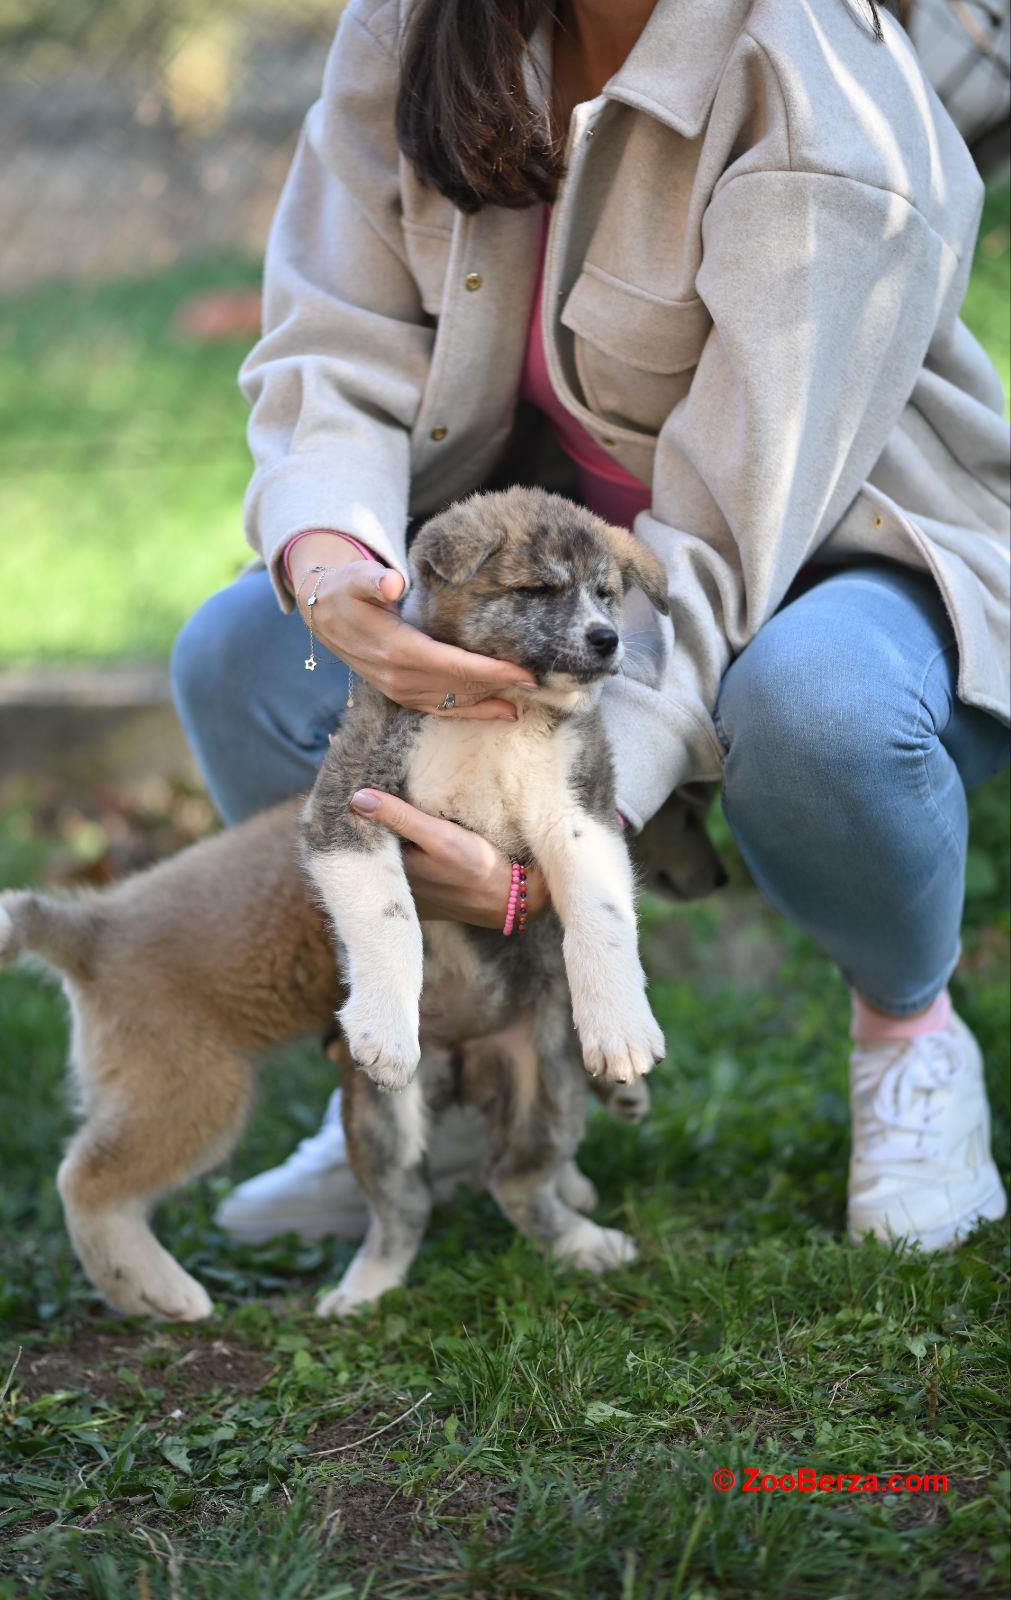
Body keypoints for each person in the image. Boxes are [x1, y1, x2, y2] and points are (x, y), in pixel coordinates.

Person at [172, 0, 1010, 1255]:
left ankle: (908, 1035)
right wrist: (335, 553)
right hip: (543, 574)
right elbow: (333, 341)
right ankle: (454, 1073)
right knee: (248, 655)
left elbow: (731, 541)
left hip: (831, 556)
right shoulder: (414, 27)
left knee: (815, 707)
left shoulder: (819, 92)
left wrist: (550, 850)